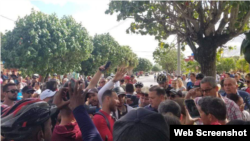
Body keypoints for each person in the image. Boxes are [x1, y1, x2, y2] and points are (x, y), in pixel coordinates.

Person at [94, 67, 126, 141]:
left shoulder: (111, 117)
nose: (118, 101)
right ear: (108, 99)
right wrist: (114, 80)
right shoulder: (99, 118)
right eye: (116, 98)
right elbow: (101, 94)